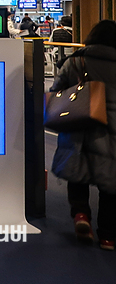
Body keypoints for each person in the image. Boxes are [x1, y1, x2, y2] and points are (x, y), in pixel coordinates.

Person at [50, 19, 116, 251]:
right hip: (111, 130)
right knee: (111, 184)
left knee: (76, 172)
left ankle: (81, 215)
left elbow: (55, 91)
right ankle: (108, 236)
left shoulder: (76, 61)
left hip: (77, 123)